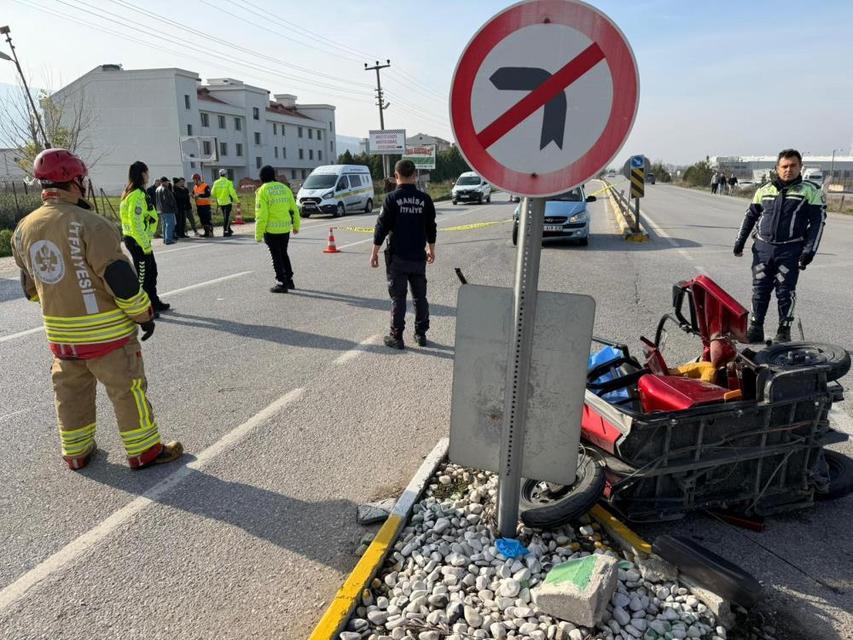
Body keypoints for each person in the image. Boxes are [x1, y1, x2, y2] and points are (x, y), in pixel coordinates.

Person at [10, 149, 182, 470]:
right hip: (108, 338)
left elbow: (31, 289)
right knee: (127, 390)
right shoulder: (91, 224)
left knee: (70, 395)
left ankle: (76, 452)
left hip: (62, 340)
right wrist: (143, 313)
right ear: (75, 182)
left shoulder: (23, 229)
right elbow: (121, 280)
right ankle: (144, 450)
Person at [734, 148, 826, 343]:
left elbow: (818, 223)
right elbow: (750, 216)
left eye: (793, 166)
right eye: (784, 166)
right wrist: (739, 242)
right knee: (759, 289)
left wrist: (809, 251)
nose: (788, 169)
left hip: (790, 251)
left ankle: (784, 330)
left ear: (800, 167)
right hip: (762, 250)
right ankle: (756, 327)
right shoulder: (764, 190)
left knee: (785, 291)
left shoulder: (810, 191)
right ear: (777, 168)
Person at [370, 159, 437, 349]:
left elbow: (381, 228)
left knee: (398, 298)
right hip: (418, 257)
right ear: (415, 176)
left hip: (398, 257)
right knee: (420, 297)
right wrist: (431, 249)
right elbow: (431, 227)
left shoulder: (392, 199)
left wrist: (374, 253)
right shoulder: (425, 200)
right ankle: (421, 334)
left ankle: (397, 337)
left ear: (396, 176)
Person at [120, 161, 170, 317]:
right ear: (142, 174)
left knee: (152, 273)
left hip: (141, 240)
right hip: (137, 241)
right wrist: (144, 244)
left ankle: (154, 302)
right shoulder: (136, 195)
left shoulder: (138, 192)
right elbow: (135, 223)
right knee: (143, 277)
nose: (148, 175)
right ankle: (144, 309)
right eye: (147, 172)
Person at [254, 165, 300, 293]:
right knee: (283, 253)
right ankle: (289, 281)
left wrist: (258, 234)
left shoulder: (262, 191)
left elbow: (261, 215)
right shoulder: (285, 188)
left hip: (271, 230)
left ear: (261, 177)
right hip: (285, 229)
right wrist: (296, 226)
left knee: (276, 256)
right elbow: (294, 209)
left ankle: (281, 282)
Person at [211, 168, 240, 237]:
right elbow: (232, 193)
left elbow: (212, 193)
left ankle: (229, 230)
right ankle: (225, 231)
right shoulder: (228, 182)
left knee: (225, 217)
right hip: (227, 202)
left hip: (220, 202)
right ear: (225, 174)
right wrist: (237, 200)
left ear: (219, 174)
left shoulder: (216, 182)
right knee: (227, 217)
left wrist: (218, 197)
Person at [155, 176, 178, 244]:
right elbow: (168, 200)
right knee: (169, 224)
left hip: (160, 210)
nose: (168, 183)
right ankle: (168, 239)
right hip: (167, 209)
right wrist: (173, 207)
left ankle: (165, 239)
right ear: (164, 182)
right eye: (167, 182)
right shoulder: (165, 189)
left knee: (164, 225)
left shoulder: (157, 189)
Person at [192, 173, 214, 237]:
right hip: (199, 206)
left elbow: (208, 195)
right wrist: (193, 196)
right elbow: (193, 194)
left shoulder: (205, 186)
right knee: (202, 220)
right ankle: (206, 232)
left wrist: (199, 196)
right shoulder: (195, 187)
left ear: (198, 179)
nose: (194, 181)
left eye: (194, 180)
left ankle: (210, 232)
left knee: (207, 219)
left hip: (206, 205)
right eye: (193, 180)